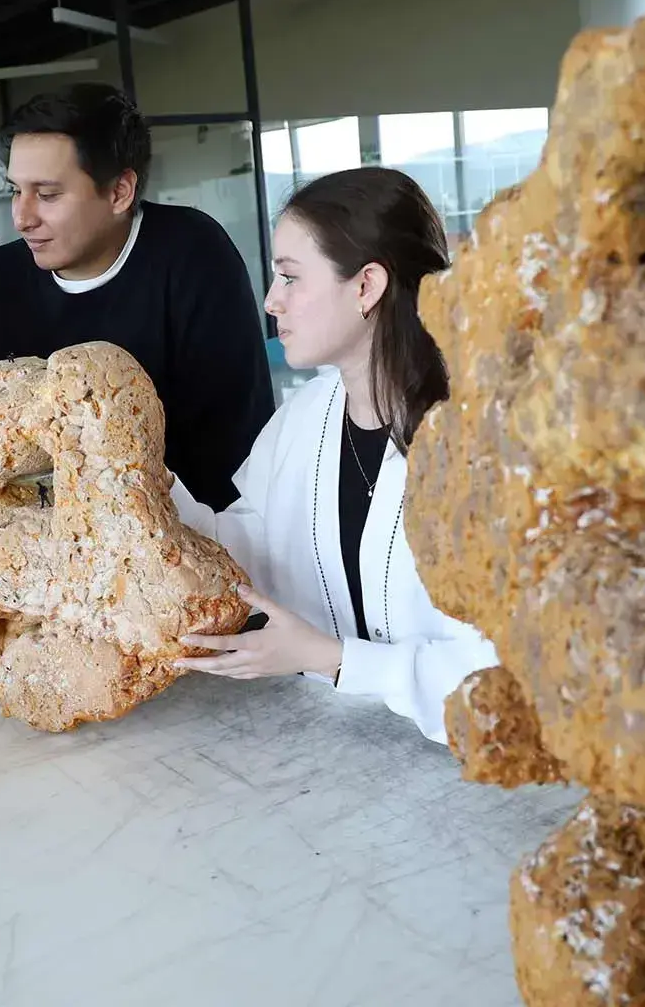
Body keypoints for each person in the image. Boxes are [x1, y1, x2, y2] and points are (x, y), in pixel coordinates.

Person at [170, 168, 497, 743]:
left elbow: (511, 679)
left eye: (290, 277)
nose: (272, 301)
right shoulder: (306, 419)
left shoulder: (487, 443)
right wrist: (139, 478)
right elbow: (243, 550)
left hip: (482, 788)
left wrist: (334, 659)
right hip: (340, 762)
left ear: (366, 286)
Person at [0, 83, 273, 511]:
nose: (22, 218)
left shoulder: (193, 255)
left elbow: (235, 444)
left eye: (47, 195)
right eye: (14, 191)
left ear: (119, 192)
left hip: (178, 531)